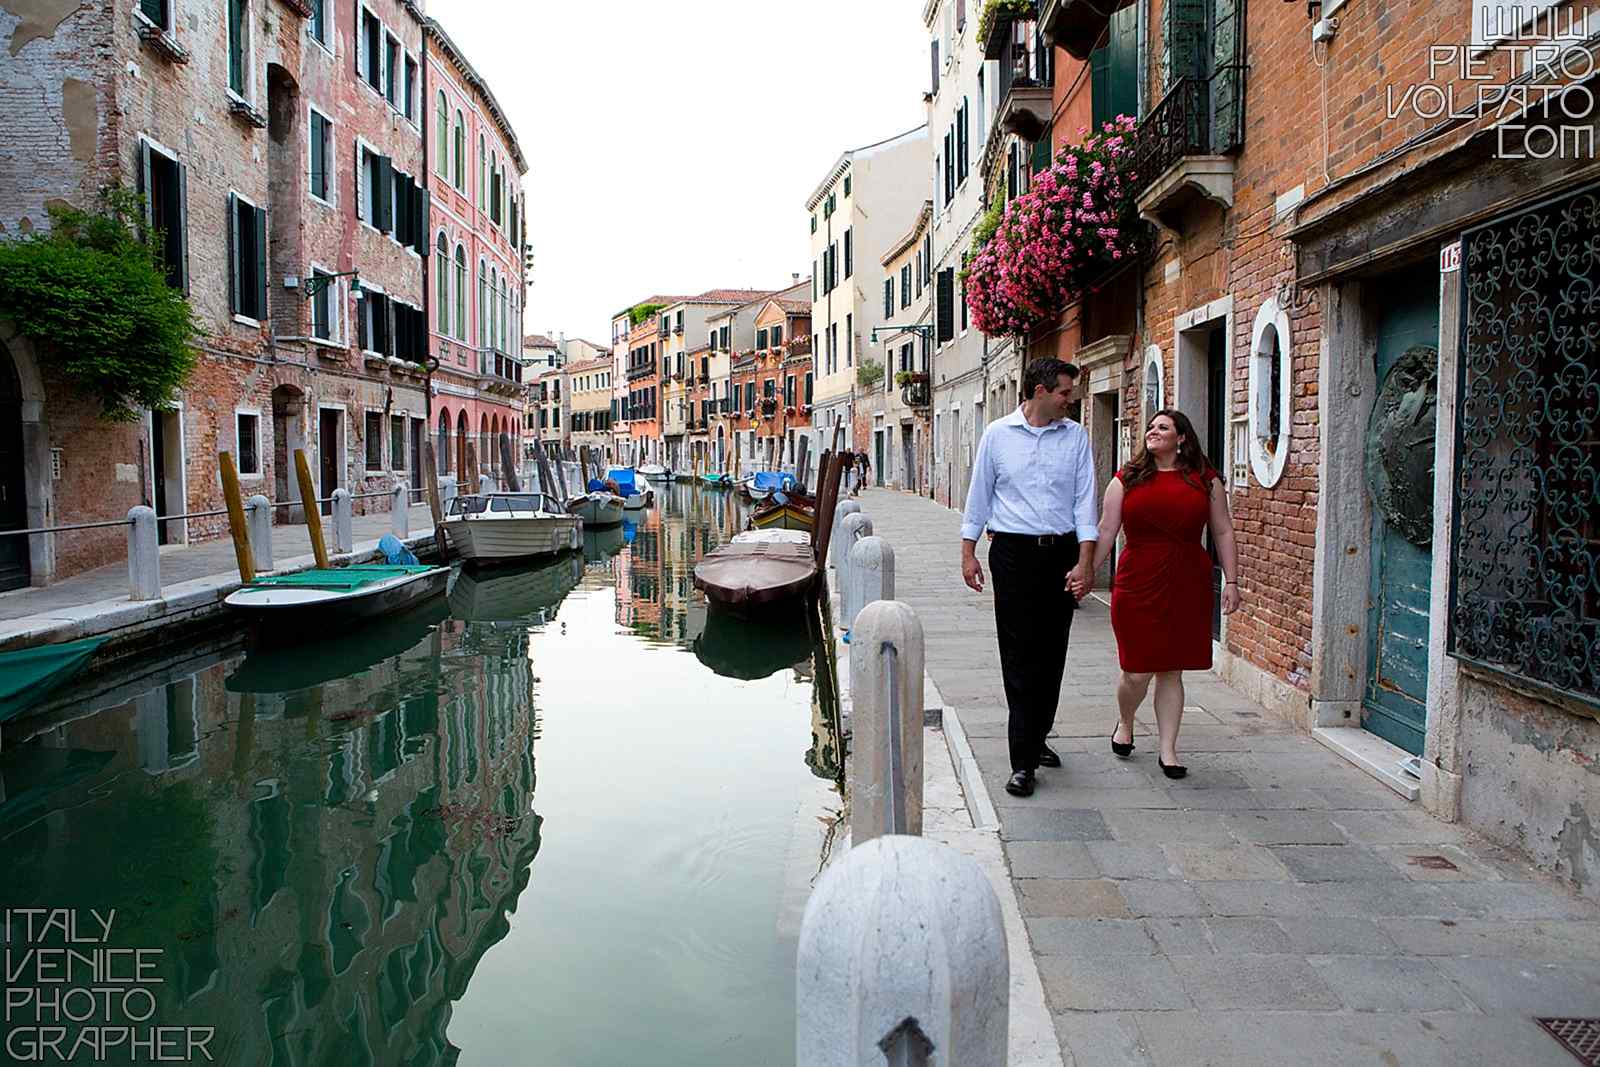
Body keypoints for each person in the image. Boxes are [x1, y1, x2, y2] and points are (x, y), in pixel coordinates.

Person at [1074, 409, 1240, 779]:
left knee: (1171, 670)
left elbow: (1223, 531)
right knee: (1136, 671)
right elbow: (1106, 530)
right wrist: (1085, 572)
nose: (1153, 432)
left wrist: (1231, 581)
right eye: (1151, 427)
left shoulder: (1205, 480)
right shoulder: (1126, 480)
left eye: (1162, 427)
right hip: (1137, 581)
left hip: (1187, 582)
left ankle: (1169, 751)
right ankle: (1126, 720)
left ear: (1182, 438)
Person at [961, 358, 1097, 798]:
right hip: (1013, 554)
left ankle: (1037, 738)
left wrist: (1085, 561)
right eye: (1064, 392)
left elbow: (1085, 503)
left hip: (1061, 553)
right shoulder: (997, 435)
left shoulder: (1075, 437)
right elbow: (979, 495)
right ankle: (1022, 761)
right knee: (1018, 655)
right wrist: (969, 552)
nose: (1069, 399)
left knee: (1052, 652)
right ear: (1039, 391)